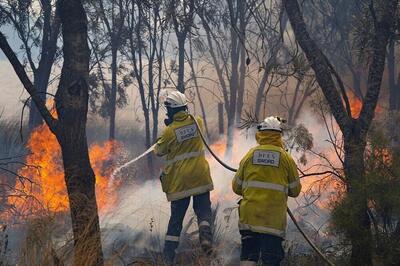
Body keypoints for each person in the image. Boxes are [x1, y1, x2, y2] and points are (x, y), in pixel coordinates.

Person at [154, 90, 214, 264]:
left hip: (181, 183)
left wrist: (169, 126)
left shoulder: (169, 131)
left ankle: (168, 257)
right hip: (200, 177)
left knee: (176, 221)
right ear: (185, 107)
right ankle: (206, 239)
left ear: (172, 111)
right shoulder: (198, 123)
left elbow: (159, 151)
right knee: (203, 212)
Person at [232, 116, 301, 266]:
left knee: (248, 260)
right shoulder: (286, 158)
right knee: (271, 260)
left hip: (249, 220)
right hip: (273, 222)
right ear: (279, 135)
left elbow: (236, 187)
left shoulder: (250, 155)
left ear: (261, 133)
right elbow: (295, 191)